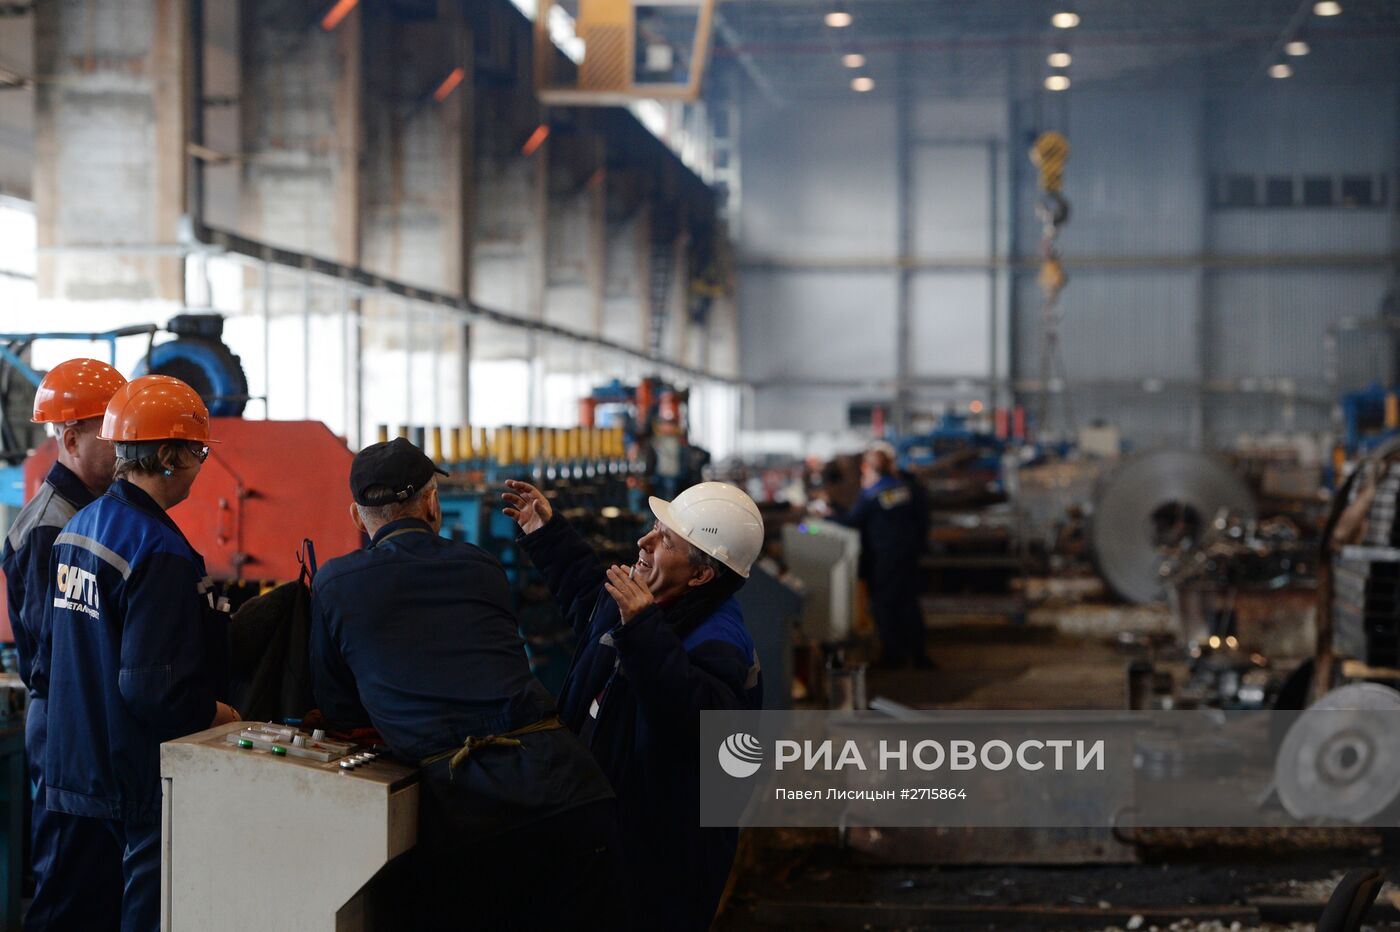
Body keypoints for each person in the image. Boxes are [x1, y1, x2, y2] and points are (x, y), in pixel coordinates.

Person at [309, 438, 619, 931]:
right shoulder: (480, 565)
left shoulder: (333, 583)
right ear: (433, 502)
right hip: (571, 792)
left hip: (476, 815)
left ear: (355, 515)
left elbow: (338, 709)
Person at [505, 478, 764, 930]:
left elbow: (701, 729)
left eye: (666, 540)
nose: (643, 541)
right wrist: (548, 533)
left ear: (702, 574)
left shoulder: (719, 642)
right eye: (653, 527)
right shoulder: (648, 599)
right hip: (602, 833)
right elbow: (591, 601)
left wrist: (643, 631)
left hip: (658, 863)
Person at [43, 374, 238, 932]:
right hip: (132, 780)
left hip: (77, 766)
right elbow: (153, 688)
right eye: (198, 452)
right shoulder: (160, 551)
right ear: (171, 455)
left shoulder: (79, 529)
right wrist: (215, 715)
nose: (201, 466)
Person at [1, 358, 126, 930]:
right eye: (110, 428)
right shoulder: (53, 524)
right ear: (71, 438)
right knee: (68, 892)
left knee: (96, 885)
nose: (123, 442)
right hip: (65, 726)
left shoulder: (91, 513)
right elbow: (57, 652)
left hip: (83, 722)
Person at [832, 442, 932, 669]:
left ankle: (893, 657)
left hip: (884, 559)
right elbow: (923, 521)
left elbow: (852, 521)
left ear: (869, 468)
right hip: (908, 558)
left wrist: (822, 519)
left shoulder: (873, 494)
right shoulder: (909, 489)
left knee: (885, 606)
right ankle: (919, 656)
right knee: (909, 605)